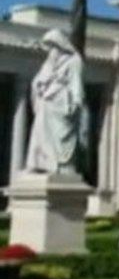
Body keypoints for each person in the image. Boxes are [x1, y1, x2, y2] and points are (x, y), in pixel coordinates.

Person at [24, 29, 87, 175]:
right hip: (47, 103)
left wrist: (76, 101)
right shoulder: (49, 62)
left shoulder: (74, 60)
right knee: (39, 132)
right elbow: (38, 79)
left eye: (53, 46)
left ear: (60, 45)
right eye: (50, 47)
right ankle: (39, 162)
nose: (51, 50)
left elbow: (76, 83)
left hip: (62, 103)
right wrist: (39, 85)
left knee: (60, 133)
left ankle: (60, 164)